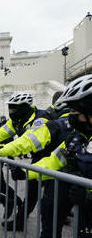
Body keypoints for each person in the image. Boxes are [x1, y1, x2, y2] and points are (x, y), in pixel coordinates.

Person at [20, 75, 92, 238]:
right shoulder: (76, 138)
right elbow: (53, 161)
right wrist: (24, 171)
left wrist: (89, 195)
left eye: (74, 111)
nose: (70, 116)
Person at [0, 92, 51, 230]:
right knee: (33, 192)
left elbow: (26, 142)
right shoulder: (17, 121)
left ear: (25, 107)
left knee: (50, 199)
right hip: (39, 157)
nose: (11, 111)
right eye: (10, 107)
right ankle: (21, 220)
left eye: (15, 108)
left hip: (53, 157)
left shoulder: (41, 119)